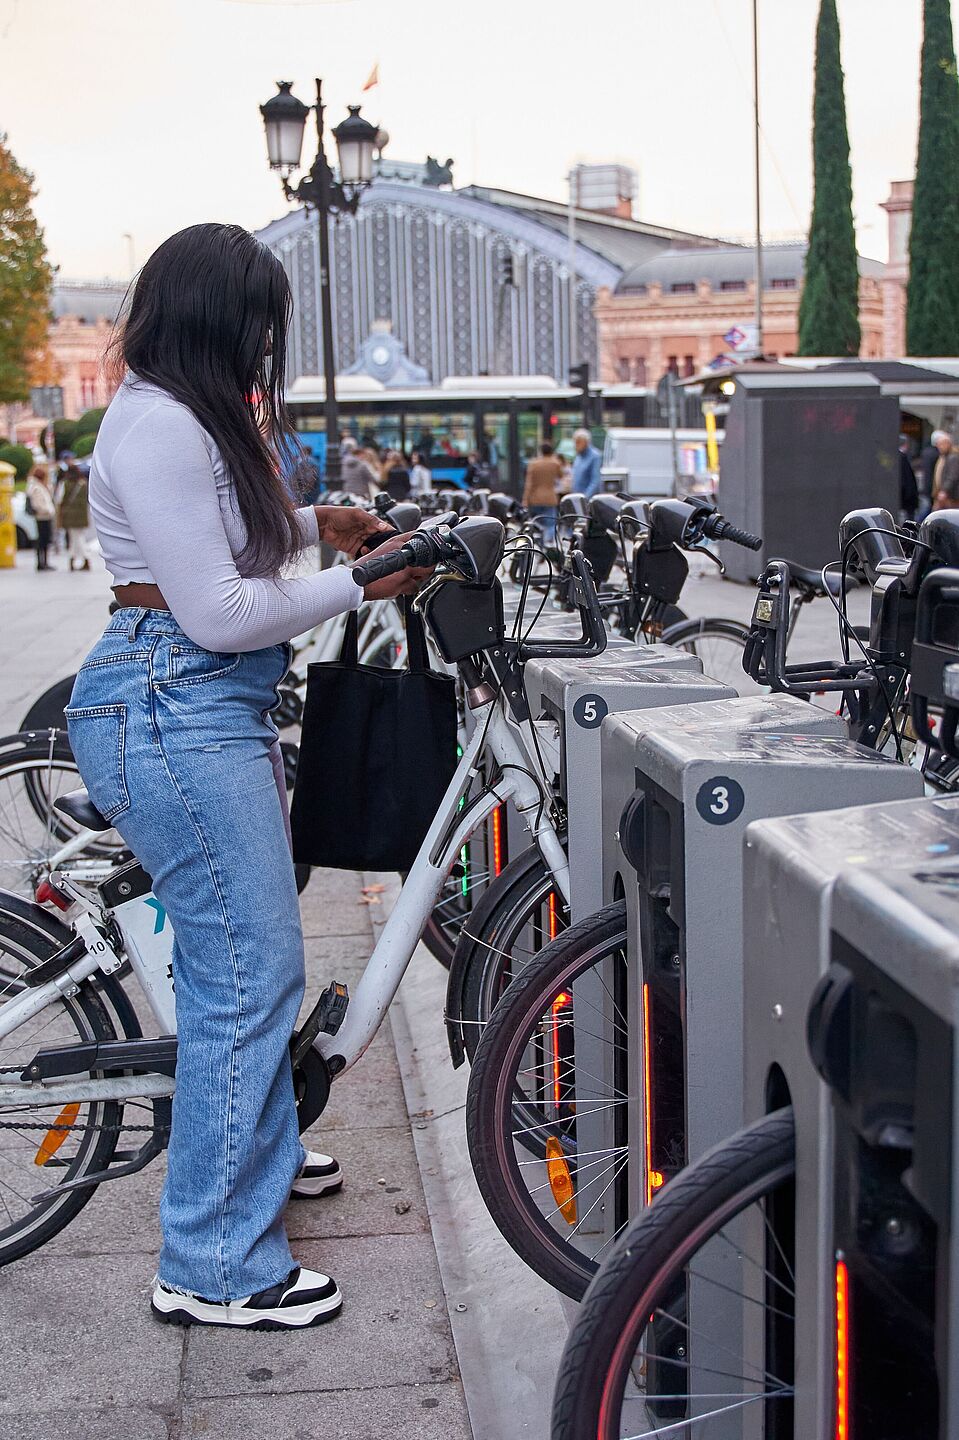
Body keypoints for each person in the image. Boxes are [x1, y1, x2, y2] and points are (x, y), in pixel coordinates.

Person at [65, 223, 430, 1330]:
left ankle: (253, 1158)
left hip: (190, 705)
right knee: (249, 975)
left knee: (251, 964)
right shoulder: (164, 425)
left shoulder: (180, 415)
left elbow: (221, 554)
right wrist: (359, 579)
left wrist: (313, 525)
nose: (268, 342)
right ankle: (215, 1262)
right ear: (219, 318)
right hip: (174, 704)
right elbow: (219, 615)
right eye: (260, 321)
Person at [522, 440, 564, 541]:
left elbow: (529, 484)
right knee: (550, 525)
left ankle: (539, 547)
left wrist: (525, 500)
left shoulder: (533, 464)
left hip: (535, 498)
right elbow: (561, 475)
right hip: (550, 498)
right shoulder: (555, 463)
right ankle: (548, 546)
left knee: (536, 525)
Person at [58, 460, 95, 570]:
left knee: (76, 538)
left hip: (69, 516)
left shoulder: (65, 484)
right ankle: (74, 559)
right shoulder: (83, 484)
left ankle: (83, 558)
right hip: (82, 516)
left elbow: (59, 499)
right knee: (77, 537)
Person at [26, 464, 57, 571]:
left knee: (43, 540)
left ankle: (42, 562)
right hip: (43, 516)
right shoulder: (37, 488)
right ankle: (42, 563)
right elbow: (38, 504)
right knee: (43, 540)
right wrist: (48, 511)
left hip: (42, 516)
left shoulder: (36, 486)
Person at [571, 428, 601, 499]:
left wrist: (584, 498)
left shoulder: (595, 456)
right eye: (575, 442)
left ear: (586, 442)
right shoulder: (578, 457)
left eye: (578, 442)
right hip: (577, 498)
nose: (575, 445)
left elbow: (595, 481)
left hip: (587, 501)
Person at [933, 430, 959, 510]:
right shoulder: (943, 457)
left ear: (947, 444)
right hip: (944, 494)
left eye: (941, 444)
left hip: (950, 496)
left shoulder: (953, 458)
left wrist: (944, 491)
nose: (939, 447)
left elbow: (952, 476)